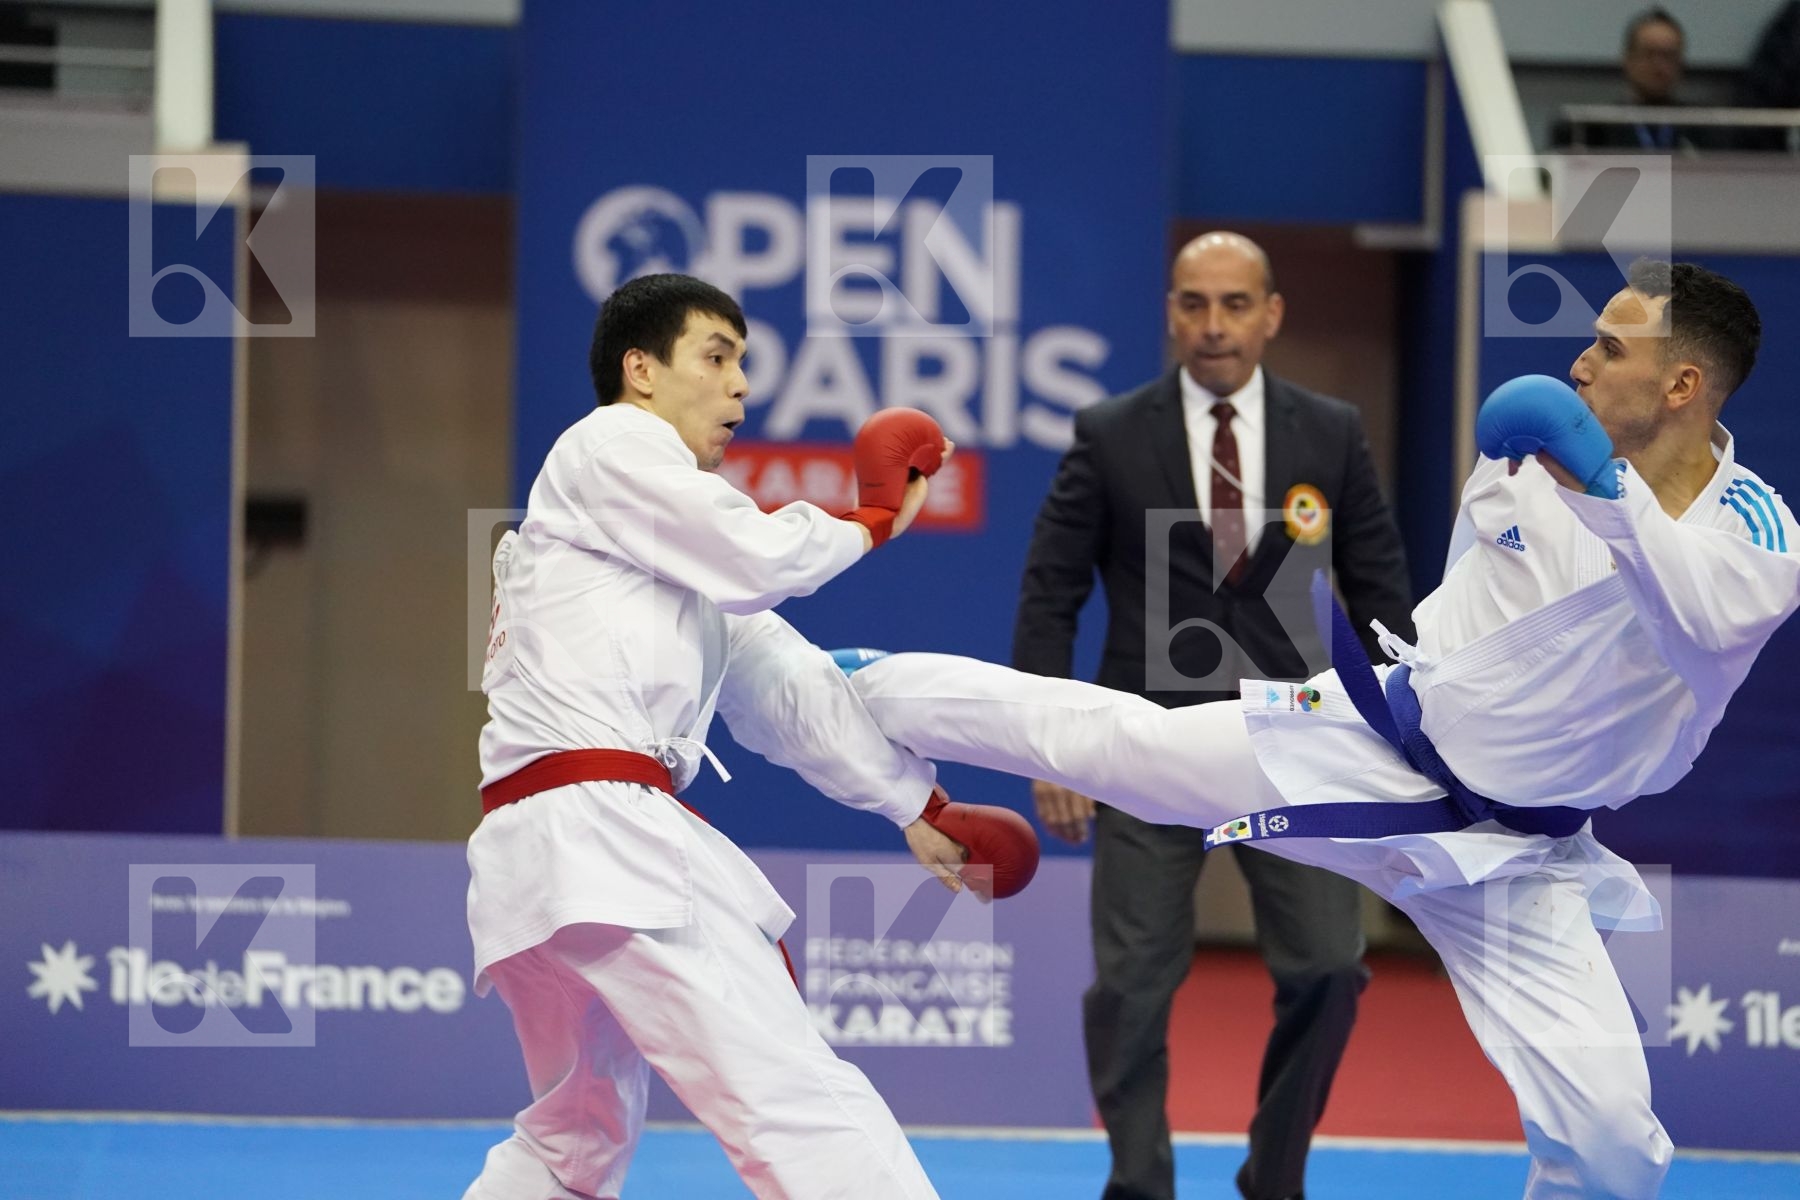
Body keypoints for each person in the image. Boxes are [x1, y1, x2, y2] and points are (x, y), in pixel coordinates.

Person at [839, 260, 1800, 1199]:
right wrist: (1593, 480)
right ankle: (860, 682)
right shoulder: (1526, 457)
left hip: (1517, 861)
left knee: (1612, 1144)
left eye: (1610, 348)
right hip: (1371, 743)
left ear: (1682, 385)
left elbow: (1704, 617)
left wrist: (1608, 492)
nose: (1580, 363)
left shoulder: (1757, 534)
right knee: (1125, 746)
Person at [461, 273, 965, 1200]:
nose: (740, 385)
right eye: (717, 357)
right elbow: (760, 553)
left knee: (575, 1139)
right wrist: (872, 519)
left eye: (745, 363)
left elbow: (785, 693)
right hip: (606, 837)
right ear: (641, 369)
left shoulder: (663, 550)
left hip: (535, 856)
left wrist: (911, 803)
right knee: (791, 1092)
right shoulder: (614, 443)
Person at [1013, 232, 1415, 1200]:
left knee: (1330, 968)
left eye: (1235, 303)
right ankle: (1140, 1185)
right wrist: (1049, 751)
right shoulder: (1111, 432)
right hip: (1146, 748)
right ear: (1171, 314)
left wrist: (1402, 740)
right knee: (1129, 986)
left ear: (1271, 314)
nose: (1214, 324)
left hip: (1299, 750)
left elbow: (1381, 596)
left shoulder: (1331, 431)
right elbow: (1051, 594)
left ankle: (1274, 1178)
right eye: (1194, 303)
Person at [1555, 8, 1700, 151]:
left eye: (1668, 56)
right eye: (1649, 54)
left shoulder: (1701, 126)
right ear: (1627, 60)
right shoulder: (1592, 129)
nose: (1659, 66)